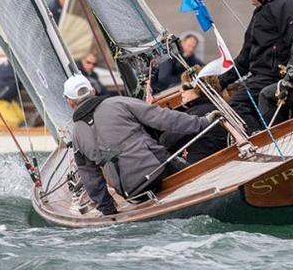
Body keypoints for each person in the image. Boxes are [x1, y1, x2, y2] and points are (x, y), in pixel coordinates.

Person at [65, 74, 221, 215]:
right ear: (93, 91)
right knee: (198, 174)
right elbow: (163, 118)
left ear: (70, 102)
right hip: (157, 169)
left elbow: (90, 177)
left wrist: (109, 211)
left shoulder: (76, 136)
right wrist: (202, 122)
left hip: (130, 192)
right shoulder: (119, 103)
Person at [218, 0, 293, 132]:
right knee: (235, 102)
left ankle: (262, 140)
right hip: (258, 78)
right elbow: (244, 59)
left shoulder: (288, 6)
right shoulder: (261, 11)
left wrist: (290, 78)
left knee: (234, 107)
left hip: (273, 78)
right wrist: (219, 81)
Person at [159, 68, 227, 164]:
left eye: (185, 87)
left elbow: (166, 140)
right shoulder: (212, 106)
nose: (181, 90)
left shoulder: (199, 112)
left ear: (199, 88)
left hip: (202, 166)